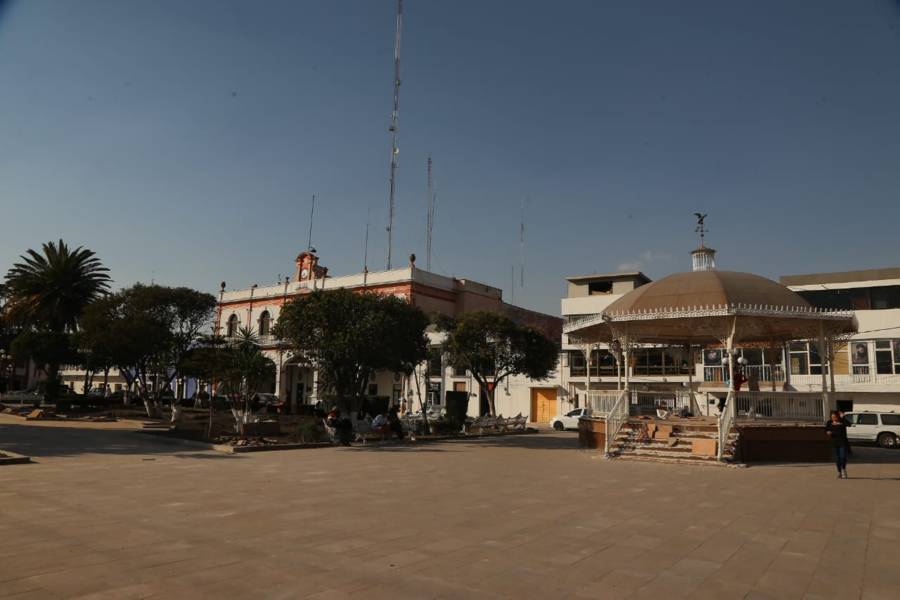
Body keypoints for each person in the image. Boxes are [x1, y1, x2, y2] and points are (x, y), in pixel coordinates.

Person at [825, 410, 850, 479]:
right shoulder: (829, 422)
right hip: (834, 443)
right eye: (832, 417)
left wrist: (843, 417)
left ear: (838, 416)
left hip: (842, 442)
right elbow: (826, 429)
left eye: (835, 417)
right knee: (837, 459)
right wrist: (827, 432)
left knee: (843, 457)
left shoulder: (842, 422)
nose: (833, 418)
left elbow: (849, 424)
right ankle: (840, 472)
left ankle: (843, 469)